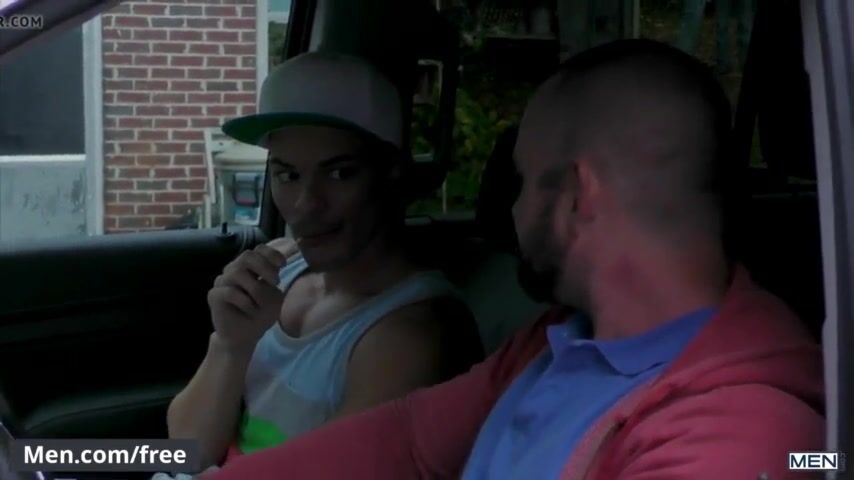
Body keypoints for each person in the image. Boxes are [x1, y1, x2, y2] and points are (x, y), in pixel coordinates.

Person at [202, 39, 824, 480]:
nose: (510, 212)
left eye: (521, 182)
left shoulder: (737, 435)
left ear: (576, 196)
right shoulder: (558, 345)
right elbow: (408, 441)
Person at [166, 51, 483, 471]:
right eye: (288, 175)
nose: (305, 205)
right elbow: (185, 451)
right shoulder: (282, 271)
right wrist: (230, 344)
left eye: (339, 174)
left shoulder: (408, 334)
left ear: (391, 171)